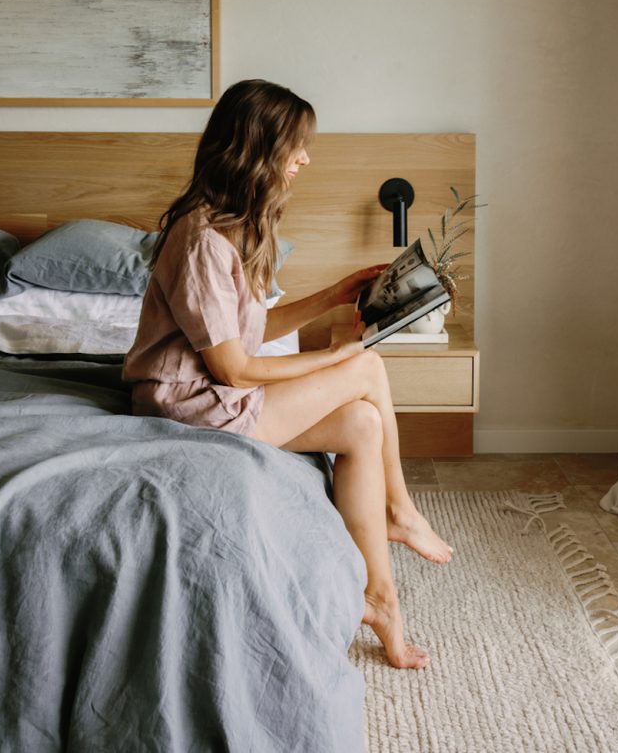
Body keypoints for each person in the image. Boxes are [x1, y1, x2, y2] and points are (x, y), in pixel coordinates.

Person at [123, 79, 452, 670]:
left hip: (215, 390)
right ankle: (399, 509)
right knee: (368, 366)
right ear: (255, 148)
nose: (304, 158)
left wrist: (334, 296)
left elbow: (248, 330)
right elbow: (233, 367)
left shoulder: (234, 227)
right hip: (188, 403)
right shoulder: (198, 238)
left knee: (360, 426)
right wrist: (342, 355)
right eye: (295, 146)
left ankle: (380, 602)